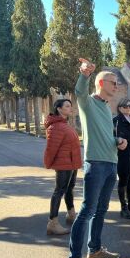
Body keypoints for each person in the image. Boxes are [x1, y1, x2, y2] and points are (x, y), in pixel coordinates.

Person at [68, 58, 128, 258]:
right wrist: (85, 74)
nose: (117, 85)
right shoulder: (88, 102)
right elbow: (79, 92)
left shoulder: (105, 107)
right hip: (96, 164)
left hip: (111, 163)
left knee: (101, 211)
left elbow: (104, 135)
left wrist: (118, 140)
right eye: (113, 82)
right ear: (101, 84)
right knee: (87, 211)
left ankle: (94, 251)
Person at [44, 99, 82, 235]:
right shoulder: (55, 127)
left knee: (69, 189)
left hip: (71, 163)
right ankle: (52, 223)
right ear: (59, 109)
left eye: (71, 105)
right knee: (59, 191)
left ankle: (71, 215)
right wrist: (48, 163)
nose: (70, 108)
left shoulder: (64, 124)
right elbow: (51, 149)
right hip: (64, 164)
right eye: (67, 106)